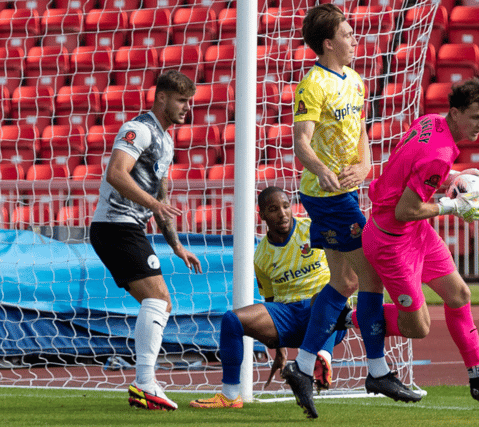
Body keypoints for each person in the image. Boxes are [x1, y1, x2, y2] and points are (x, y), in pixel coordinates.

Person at [282, 4, 422, 420]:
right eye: (347, 34)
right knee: (370, 275)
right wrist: (323, 170)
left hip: (346, 194)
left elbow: (359, 130)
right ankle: (377, 371)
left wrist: (365, 164)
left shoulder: (356, 81)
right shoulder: (313, 84)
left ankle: (303, 367)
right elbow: (300, 141)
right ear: (328, 43)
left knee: (344, 280)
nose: (354, 39)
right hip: (328, 198)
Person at [361, 77, 479, 403]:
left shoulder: (431, 121)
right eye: (475, 117)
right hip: (391, 239)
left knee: (459, 295)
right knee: (418, 327)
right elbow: (406, 209)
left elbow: (410, 162)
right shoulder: (438, 153)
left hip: (415, 234)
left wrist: (456, 176)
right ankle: (346, 319)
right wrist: (454, 206)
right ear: (455, 112)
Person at [89, 70, 202, 411]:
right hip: (114, 226)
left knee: (159, 302)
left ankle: (145, 381)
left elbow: (162, 196)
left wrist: (177, 246)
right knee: (159, 299)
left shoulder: (167, 141)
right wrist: (153, 204)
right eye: (181, 100)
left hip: (128, 228)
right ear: (162, 97)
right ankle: (144, 382)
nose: (186, 108)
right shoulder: (137, 129)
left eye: (189, 101)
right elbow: (115, 173)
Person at [188, 186, 348, 409]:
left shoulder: (312, 229)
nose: (282, 213)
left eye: (285, 206)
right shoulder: (261, 255)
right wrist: (280, 351)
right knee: (232, 320)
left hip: (328, 314)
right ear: (262, 215)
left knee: (324, 299)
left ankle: (322, 360)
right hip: (290, 316)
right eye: (273, 209)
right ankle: (230, 395)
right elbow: (272, 301)